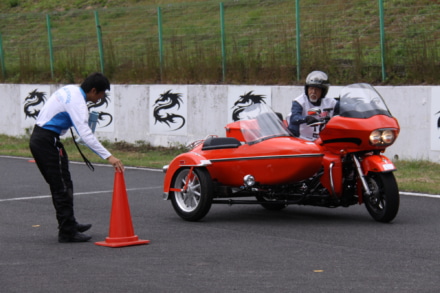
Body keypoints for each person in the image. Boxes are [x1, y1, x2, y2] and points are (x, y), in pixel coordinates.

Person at [29, 72, 124, 243]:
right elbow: (86, 135)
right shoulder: (78, 102)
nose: (101, 98)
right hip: (46, 141)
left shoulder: (71, 90)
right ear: (94, 90)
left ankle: (70, 223)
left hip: (48, 139)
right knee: (61, 187)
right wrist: (110, 157)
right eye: (102, 94)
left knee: (66, 183)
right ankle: (66, 232)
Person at [287, 70, 337, 140]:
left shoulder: (330, 103)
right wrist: (306, 119)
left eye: (317, 89)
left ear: (323, 91)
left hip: (321, 141)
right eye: (311, 88)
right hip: (301, 139)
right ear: (307, 89)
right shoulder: (299, 101)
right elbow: (294, 118)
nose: (313, 92)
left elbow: (344, 109)